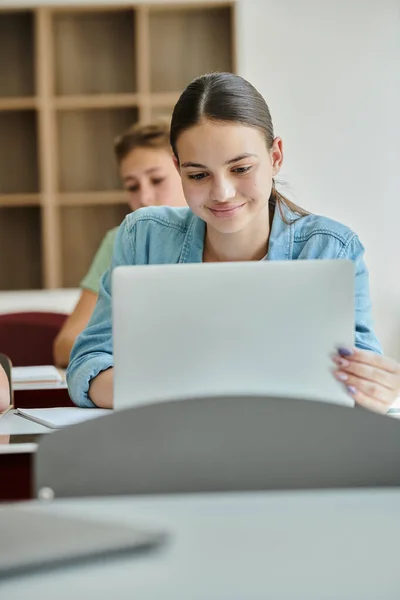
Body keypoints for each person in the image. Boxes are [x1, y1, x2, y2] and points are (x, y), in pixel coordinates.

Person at [66, 72, 400, 413]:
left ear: (276, 157)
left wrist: (375, 388)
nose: (222, 193)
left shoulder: (333, 248)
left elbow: (361, 385)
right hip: (170, 444)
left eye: (240, 168)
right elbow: (86, 368)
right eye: (198, 175)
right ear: (178, 167)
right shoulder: (144, 236)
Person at [53, 120, 186, 367]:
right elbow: (66, 344)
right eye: (132, 187)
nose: (144, 197)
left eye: (157, 180)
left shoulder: (221, 232)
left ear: (187, 172)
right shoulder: (120, 240)